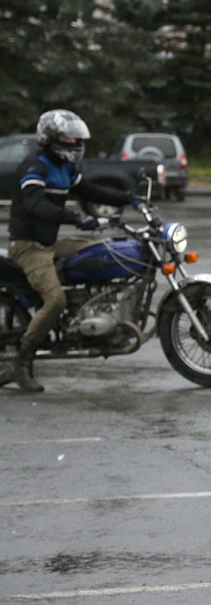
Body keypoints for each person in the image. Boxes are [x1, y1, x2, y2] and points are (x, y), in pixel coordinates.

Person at [2, 109, 139, 393]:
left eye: (77, 138)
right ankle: (22, 363)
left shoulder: (64, 168)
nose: (74, 143)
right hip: (28, 247)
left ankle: (87, 309)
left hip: (50, 244)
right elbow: (34, 205)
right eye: (68, 137)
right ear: (50, 138)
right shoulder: (35, 166)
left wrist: (130, 199)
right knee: (55, 301)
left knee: (107, 251)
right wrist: (77, 219)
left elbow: (89, 190)